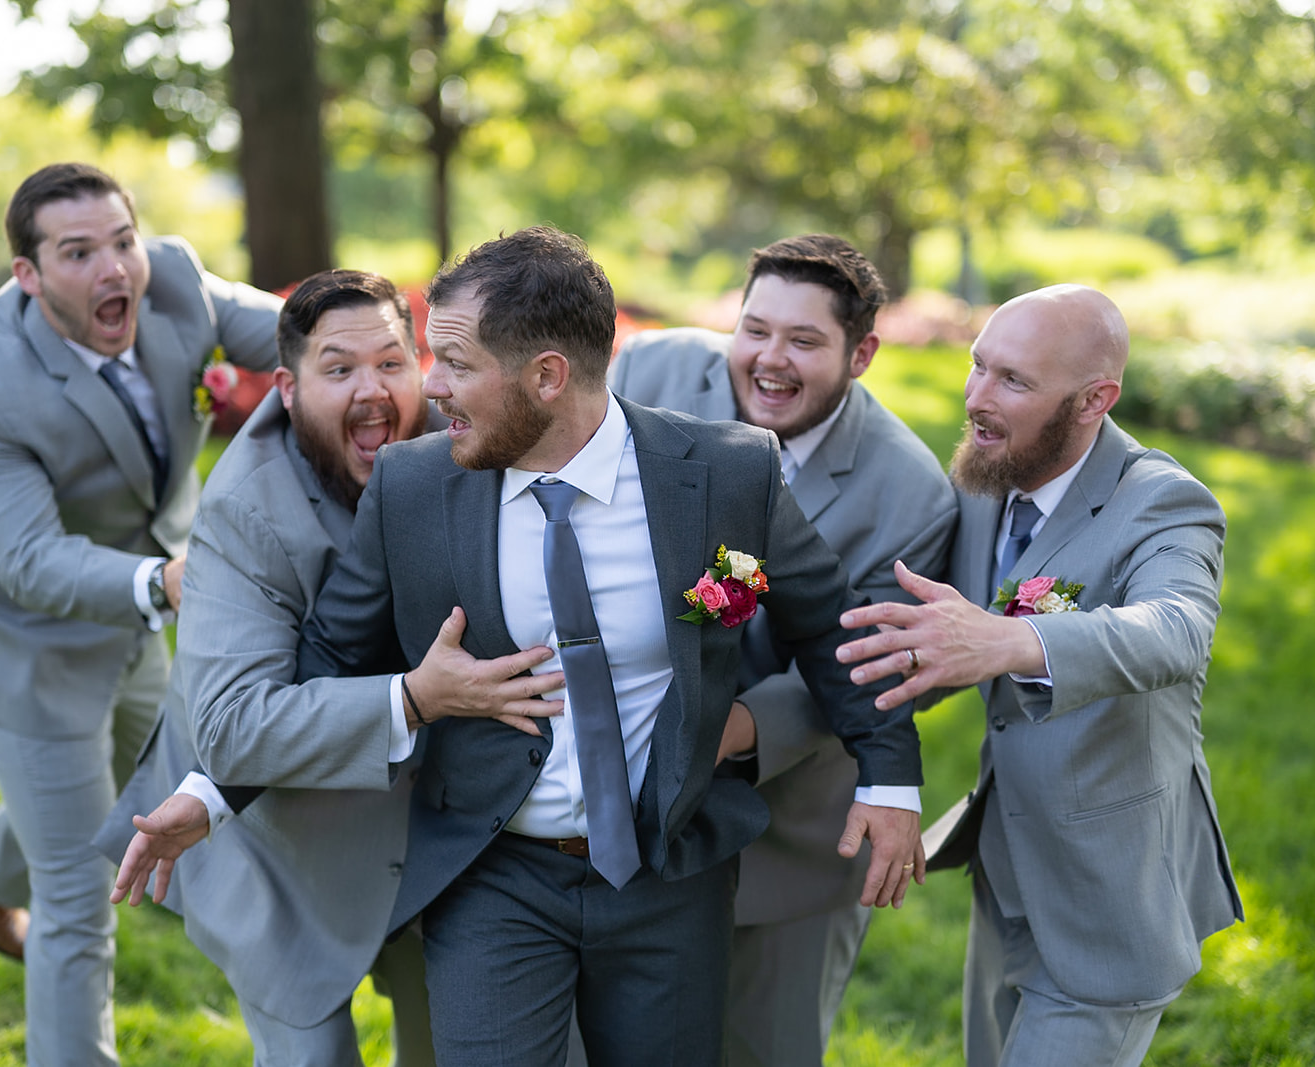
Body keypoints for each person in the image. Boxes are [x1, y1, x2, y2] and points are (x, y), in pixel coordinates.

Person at [289, 226, 925, 1067]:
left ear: (547, 376)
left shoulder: (727, 473)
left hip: (672, 878)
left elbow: (831, 628)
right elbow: (325, 660)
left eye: (455, 362)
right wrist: (413, 696)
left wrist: (891, 780)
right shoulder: (413, 484)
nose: (429, 386)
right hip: (492, 872)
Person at [100, 268, 560, 1065]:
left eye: (390, 362)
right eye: (338, 369)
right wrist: (415, 699)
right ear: (286, 387)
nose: (373, 390)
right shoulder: (244, 513)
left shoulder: (468, 443)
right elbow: (235, 725)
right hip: (278, 845)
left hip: (443, 831)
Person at [0, 161, 283, 1066]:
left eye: (122, 240)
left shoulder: (178, 281)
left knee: (123, 800)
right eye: (78, 253)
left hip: (142, 611)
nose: (115, 268)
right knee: (78, 895)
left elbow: (307, 335)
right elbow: (31, 561)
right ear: (28, 275)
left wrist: (378, 368)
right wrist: (165, 582)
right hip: (29, 645)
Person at [835, 284, 1242, 1067]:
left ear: (1095, 400)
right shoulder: (990, 475)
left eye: (1013, 381)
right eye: (977, 366)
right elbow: (937, 636)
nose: (977, 398)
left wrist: (1012, 641)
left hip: (1108, 899)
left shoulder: (1164, 503)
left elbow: (1177, 630)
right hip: (1008, 877)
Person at [608, 233, 956, 1066]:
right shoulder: (645, 373)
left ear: (862, 352)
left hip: (789, 828)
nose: (770, 360)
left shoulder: (908, 493)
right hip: (614, 802)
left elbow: (862, 667)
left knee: (761, 1049)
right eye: (755, 329)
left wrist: (725, 728)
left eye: (804, 341)